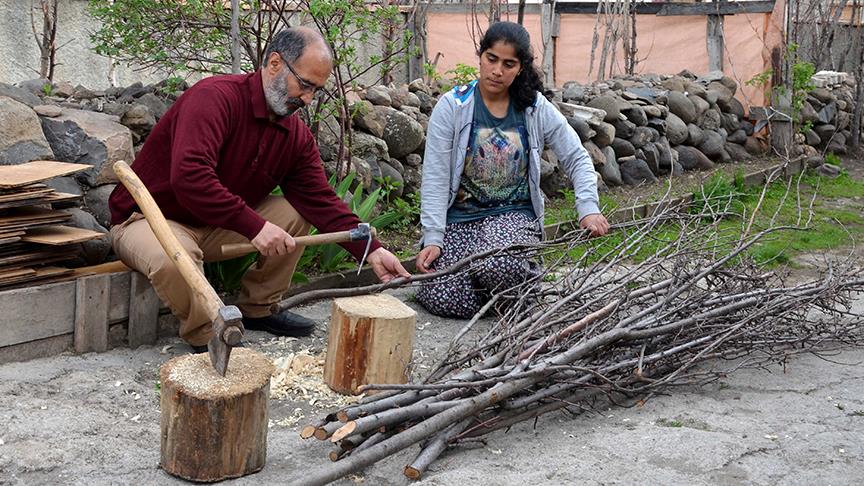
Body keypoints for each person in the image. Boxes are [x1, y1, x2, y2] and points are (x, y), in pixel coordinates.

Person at [108, 27, 410, 351]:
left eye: (316, 91)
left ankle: (258, 308)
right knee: (170, 258)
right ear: (275, 63)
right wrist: (254, 227)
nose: (307, 99)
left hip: (215, 225)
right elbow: (190, 177)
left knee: (295, 212)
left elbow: (319, 199)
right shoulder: (214, 98)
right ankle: (209, 334)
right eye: (305, 85)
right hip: (149, 220)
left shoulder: (295, 136)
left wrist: (372, 248)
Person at [415, 21, 609, 318]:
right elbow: (435, 176)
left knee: (497, 262)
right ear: (480, 56)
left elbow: (576, 157)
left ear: (520, 68)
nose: (497, 70)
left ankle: (507, 280)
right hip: (461, 220)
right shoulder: (453, 106)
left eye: (508, 64)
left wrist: (588, 207)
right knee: (442, 296)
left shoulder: (533, 108)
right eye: (491, 59)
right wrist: (433, 237)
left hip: (512, 218)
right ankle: (503, 294)